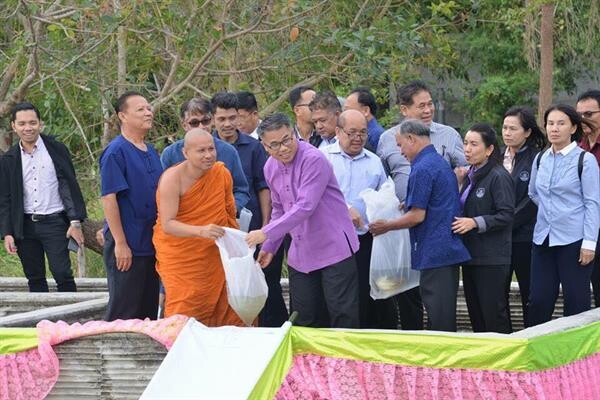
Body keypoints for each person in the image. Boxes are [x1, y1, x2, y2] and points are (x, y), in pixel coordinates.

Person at [246, 113, 360, 329]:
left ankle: (342, 363)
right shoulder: (270, 167)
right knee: (303, 316)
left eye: (288, 139)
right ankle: (309, 363)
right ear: (265, 147)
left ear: (294, 133)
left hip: (333, 246)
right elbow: (279, 208)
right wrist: (270, 246)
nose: (284, 148)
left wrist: (266, 233)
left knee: (341, 315)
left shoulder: (313, 159)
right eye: (275, 144)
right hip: (301, 251)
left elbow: (305, 206)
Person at [369, 119, 470, 332]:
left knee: (440, 318)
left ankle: (442, 364)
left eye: (400, 145)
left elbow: (417, 216)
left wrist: (386, 226)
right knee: (438, 315)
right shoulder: (437, 161)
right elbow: (432, 201)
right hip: (443, 250)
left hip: (436, 251)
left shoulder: (422, 167)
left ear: (411, 139)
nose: (400, 151)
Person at [153, 129, 245, 326]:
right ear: (186, 153)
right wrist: (201, 231)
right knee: (184, 309)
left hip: (215, 252)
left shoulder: (221, 173)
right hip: (182, 256)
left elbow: (229, 214)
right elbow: (167, 224)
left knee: (228, 306)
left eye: (211, 149)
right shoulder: (172, 179)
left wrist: (237, 249)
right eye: (201, 151)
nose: (208, 155)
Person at [212, 92, 288, 327]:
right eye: (221, 118)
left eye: (232, 118)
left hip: (254, 228)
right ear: (213, 119)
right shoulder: (207, 147)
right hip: (219, 230)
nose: (227, 124)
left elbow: (263, 187)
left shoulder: (255, 147)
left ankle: (273, 332)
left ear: (240, 118)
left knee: (265, 281)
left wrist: (267, 226)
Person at [0, 102, 86, 292]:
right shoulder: (8, 159)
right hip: (25, 225)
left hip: (55, 222)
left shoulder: (57, 149)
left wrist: (75, 222)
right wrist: (7, 233)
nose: (27, 128)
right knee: (34, 276)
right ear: (14, 126)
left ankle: (70, 319)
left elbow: (70, 186)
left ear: (40, 124)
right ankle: (41, 320)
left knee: (62, 272)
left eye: (32, 122)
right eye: (21, 124)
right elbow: (5, 199)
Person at [321, 109, 396, 329]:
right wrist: (345, 208)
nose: (357, 138)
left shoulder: (374, 161)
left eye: (362, 132)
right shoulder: (323, 158)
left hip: (365, 239)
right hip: (332, 240)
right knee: (338, 297)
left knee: (365, 294)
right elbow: (316, 194)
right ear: (338, 131)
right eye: (351, 132)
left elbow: (386, 191)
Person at [528, 104, 600, 326]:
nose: (554, 129)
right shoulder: (540, 158)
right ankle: (536, 355)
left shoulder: (584, 160)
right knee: (539, 300)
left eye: (561, 123)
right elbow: (533, 193)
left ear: (573, 128)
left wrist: (589, 243)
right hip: (543, 239)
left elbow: (592, 203)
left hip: (575, 241)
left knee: (576, 302)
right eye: (550, 123)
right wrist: (553, 210)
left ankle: (577, 358)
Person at [99, 91, 162, 321]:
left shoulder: (151, 150)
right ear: (123, 116)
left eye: (148, 108)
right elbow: (109, 198)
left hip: (150, 242)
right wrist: (120, 243)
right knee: (124, 312)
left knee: (147, 313)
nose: (148, 112)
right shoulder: (116, 152)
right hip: (128, 245)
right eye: (140, 109)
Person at [452, 123, 514, 333]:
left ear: (489, 149)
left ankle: (505, 362)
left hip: (492, 258)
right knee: (476, 315)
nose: (467, 149)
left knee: (493, 315)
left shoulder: (498, 176)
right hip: (471, 256)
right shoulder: (470, 174)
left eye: (474, 144)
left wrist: (475, 222)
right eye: (466, 143)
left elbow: (506, 215)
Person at [160, 97, 250, 213]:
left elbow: (241, 190)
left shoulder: (228, 151)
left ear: (212, 120)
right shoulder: (170, 154)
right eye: (194, 123)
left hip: (220, 220)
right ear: (184, 125)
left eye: (205, 121)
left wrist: (229, 209)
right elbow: (163, 192)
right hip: (183, 221)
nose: (201, 126)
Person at [500, 106, 546, 327]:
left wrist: (503, 223)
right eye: (505, 128)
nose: (507, 133)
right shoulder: (497, 156)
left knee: (529, 291)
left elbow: (531, 201)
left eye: (513, 129)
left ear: (527, 132)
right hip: (499, 239)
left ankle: (530, 334)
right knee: (499, 292)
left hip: (525, 236)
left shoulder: (537, 158)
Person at [379, 80, 466, 169]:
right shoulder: (387, 138)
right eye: (422, 106)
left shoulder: (450, 135)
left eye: (430, 104)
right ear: (404, 110)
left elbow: (467, 169)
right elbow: (382, 176)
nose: (428, 110)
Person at [575, 90, 600, 307]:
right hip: (585, 230)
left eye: (589, 114)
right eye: (579, 114)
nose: (583, 119)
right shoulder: (577, 148)